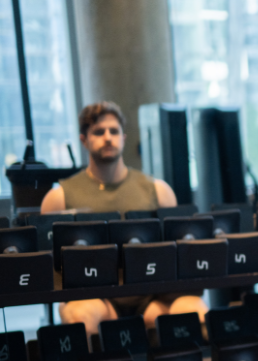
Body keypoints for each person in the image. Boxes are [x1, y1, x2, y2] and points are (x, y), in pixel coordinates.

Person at [41, 102, 205, 334]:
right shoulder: (58, 197)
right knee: (80, 317)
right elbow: (49, 266)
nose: (108, 138)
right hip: (96, 297)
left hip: (152, 297)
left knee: (196, 311)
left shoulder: (158, 190)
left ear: (124, 138)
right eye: (99, 132)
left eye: (114, 131)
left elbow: (176, 252)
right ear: (83, 140)